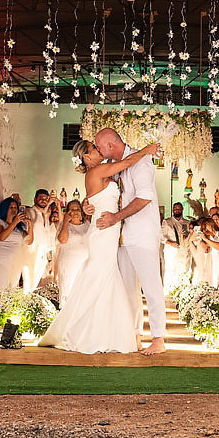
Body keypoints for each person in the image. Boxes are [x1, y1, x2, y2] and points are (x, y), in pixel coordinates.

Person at [38, 140, 161, 354]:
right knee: (102, 275)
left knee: (103, 276)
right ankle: (85, 330)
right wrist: (146, 150)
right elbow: (128, 162)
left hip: (107, 229)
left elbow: (101, 194)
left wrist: (87, 203)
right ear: (86, 157)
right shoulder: (99, 171)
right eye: (94, 149)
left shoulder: (98, 173)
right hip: (104, 230)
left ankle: (103, 331)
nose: (98, 150)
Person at [86, 127, 169, 355]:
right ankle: (135, 335)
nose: (99, 152)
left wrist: (116, 217)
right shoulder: (119, 166)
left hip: (142, 235)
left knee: (151, 288)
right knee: (127, 290)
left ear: (111, 145)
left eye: (100, 147)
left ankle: (159, 338)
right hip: (122, 238)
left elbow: (144, 198)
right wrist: (89, 204)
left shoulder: (141, 163)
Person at [0, 197, 32, 292]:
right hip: (2, 261)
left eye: (15, 208)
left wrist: (30, 225)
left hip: (15, 262)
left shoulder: (19, 228)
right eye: (11, 207)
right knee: (2, 291)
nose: (14, 210)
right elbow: (1, 237)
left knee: (12, 292)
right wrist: (15, 222)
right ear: (5, 209)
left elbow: (29, 241)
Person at [54, 199, 90, 307]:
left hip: (85, 263)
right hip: (68, 264)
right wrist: (65, 222)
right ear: (67, 212)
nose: (75, 211)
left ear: (81, 212)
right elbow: (62, 240)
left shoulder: (87, 224)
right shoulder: (63, 225)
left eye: (77, 209)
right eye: (72, 209)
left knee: (84, 293)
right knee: (69, 292)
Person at [161, 202, 189, 291]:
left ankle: (181, 291)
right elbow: (161, 236)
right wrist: (170, 243)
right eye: (175, 208)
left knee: (182, 270)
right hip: (171, 250)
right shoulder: (167, 221)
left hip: (183, 250)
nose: (177, 210)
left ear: (182, 210)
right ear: (173, 210)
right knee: (170, 270)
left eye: (179, 208)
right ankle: (168, 292)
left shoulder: (187, 222)